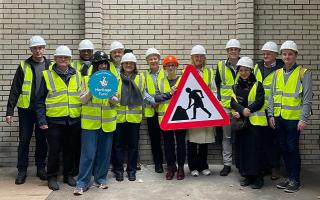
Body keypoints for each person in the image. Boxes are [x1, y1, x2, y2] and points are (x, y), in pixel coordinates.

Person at [268, 40, 312, 193]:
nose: (287, 57)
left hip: (294, 119)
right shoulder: (277, 73)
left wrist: (303, 118)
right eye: (285, 54)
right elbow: (272, 96)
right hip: (279, 118)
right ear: (281, 56)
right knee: (284, 148)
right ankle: (289, 177)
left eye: (290, 54)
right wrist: (271, 115)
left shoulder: (303, 73)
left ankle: (295, 180)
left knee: (292, 148)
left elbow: (307, 98)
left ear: (295, 56)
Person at [36, 45, 82, 191]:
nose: (63, 59)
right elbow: (39, 100)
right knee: (54, 150)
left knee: (70, 149)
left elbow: (81, 96)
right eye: (60, 57)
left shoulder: (77, 75)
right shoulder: (47, 75)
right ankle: (51, 177)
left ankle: (68, 175)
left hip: (73, 119)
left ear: (70, 59)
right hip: (54, 120)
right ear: (55, 59)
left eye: (66, 57)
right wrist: (42, 120)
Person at [5, 35, 49, 185]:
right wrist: (9, 111)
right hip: (26, 111)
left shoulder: (50, 65)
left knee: (42, 140)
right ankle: (22, 170)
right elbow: (15, 89)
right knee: (24, 140)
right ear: (31, 49)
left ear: (44, 48)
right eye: (35, 48)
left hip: (43, 110)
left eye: (40, 47)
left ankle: (41, 168)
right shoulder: (24, 65)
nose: (38, 50)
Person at [73, 51, 118, 195]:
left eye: (105, 63)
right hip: (90, 124)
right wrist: (93, 89)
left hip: (107, 123)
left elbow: (117, 101)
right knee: (88, 154)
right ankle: (82, 183)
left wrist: (110, 94)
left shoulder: (113, 79)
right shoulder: (86, 79)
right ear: (95, 66)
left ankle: (101, 180)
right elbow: (82, 100)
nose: (102, 66)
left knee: (104, 154)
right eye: (100, 64)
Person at [231, 57, 266, 189]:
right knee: (243, 150)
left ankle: (258, 178)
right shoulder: (235, 86)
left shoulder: (258, 85)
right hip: (241, 124)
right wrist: (240, 110)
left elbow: (259, 101)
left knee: (255, 151)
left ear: (251, 71)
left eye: (246, 70)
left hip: (254, 124)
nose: (243, 73)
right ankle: (246, 176)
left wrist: (248, 110)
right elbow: (232, 102)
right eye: (241, 70)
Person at [113, 53, 145, 182]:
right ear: (122, 65)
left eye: (131, 63)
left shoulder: (141, 78)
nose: (128, 65)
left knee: (133, 146)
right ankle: (119, 171)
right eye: (126, 63)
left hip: (134, 118)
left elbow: (145, 94)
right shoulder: (116, 78)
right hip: (119, 118)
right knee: (118, 146)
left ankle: (131, 171)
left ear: (134, 65)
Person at [254, 41, 284, 180]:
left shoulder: (282, 68)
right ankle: (263, 167)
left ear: (275, 55)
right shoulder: (256, 67)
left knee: (274, 141)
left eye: (269, 53)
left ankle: (275, 168)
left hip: (274, 111)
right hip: (258, 110)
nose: (265, 55)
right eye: (264, 53)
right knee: (261, 141)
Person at [186, 45, 216, 177]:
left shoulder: (209, 72)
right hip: (193, 111)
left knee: (204, 142)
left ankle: (203, 166)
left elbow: (214, 90)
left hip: (205, 110)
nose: (198, 58)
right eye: (196, 56)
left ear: (204, 58)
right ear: (192, 58)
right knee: (192, 141)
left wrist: (211, 102)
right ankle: (193, 167)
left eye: (201, 56)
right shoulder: (187, 71)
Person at [157, 55, 186, 180]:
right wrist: (169, 93)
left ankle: (180, 168)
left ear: (176, 66)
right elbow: (156, 98)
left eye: (173, 65)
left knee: (180, 143)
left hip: (180, 116)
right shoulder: (161, 81)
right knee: (168, 144)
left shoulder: (182, 80)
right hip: (165, 118)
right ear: (164, 67)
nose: (171, 67)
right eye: (168, 65)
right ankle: (170, 167)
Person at [215, 39, 241, 176]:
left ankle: (241, 163)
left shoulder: (245, 65)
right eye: (230, 49)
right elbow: (217, 85)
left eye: (235, 49)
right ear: (227, 51)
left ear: (239, 51)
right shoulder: (220, 66)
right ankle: (227, 164)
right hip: (225, 108)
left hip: (240, 108)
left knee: (242, 136)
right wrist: (219, 100)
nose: (233, 51)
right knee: (227, 137)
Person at [143, 48, 165, 173]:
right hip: (151, 111)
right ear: (147, 61)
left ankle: (170, 163)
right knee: (155, 139)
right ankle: (158, 164)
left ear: (159, 59)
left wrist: (159, 101)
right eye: (150, 59)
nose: (153, 61)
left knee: (167, 138)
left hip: (165, 111)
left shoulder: (166, 73)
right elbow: (143, 91)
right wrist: (153, 102)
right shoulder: (144, 75)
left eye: (155, 58)